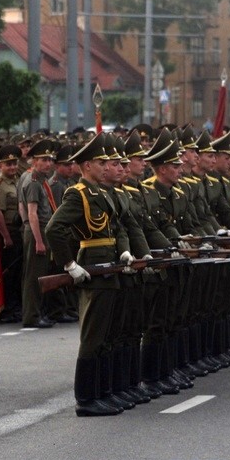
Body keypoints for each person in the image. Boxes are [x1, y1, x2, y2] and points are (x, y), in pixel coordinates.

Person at [46, 133, 131, 417]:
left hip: (110, 266)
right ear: (85, 166)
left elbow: (117, 228)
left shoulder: (104, 194)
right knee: (93, 336)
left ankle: (103, 392)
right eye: (100, 162)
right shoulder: (78, 193)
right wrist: (69, 265)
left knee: (107, 334)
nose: (106, 166)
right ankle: (85, 398)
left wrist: (124, 252)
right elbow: (53, 229)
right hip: (92, 266)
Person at [20, 139, 58, 329]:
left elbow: (22, 207)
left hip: (37, 230)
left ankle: (34, 313)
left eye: (50, 159)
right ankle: (32, 316)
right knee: (35, 277)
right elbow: (32, 213)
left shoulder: (33, 179)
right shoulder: (34, 182)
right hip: (38, 231)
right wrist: (38, 240)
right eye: (44, 160)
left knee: (35, 275)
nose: (49, 163)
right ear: (34, 161)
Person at [0, 144, 23, 322]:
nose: (12, 167)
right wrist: (6, 237)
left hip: (19, 231)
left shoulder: (19, 180)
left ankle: (17, 305)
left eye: (14, 163)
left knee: (19, 271)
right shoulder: (0, 185)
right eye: (8, 164)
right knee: (10, 273)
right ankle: (9, 308)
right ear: (0, 166)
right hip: (9, 232)